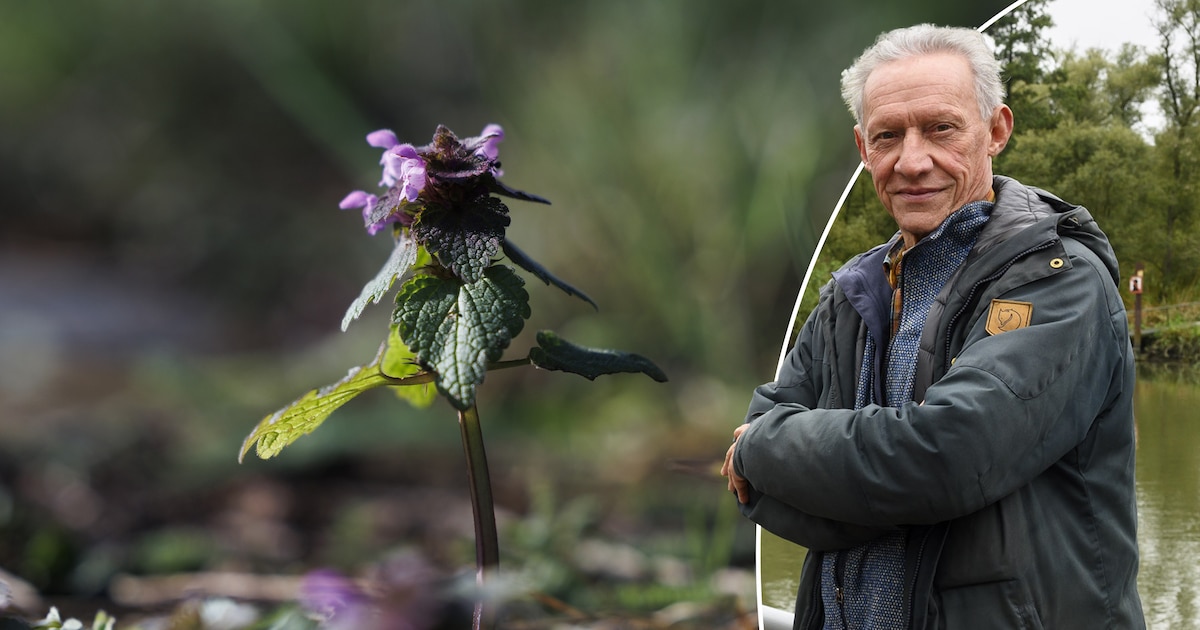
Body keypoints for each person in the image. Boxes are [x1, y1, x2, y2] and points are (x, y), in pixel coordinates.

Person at [720, 24, 1144, 629]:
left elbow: (948, 456)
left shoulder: (1059, 280)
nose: (912, 161)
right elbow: (758, 487)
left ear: (995, 130)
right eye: (887, 135)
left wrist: (769, 451)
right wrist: (875, 475)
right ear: (864, 148)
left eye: (940, 128)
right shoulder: (849, 295)